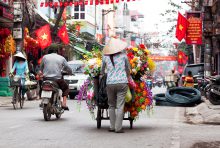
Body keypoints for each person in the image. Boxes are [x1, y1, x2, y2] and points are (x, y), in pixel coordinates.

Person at [101, 37, 130, 133]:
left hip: (110, 83)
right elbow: (127, 69)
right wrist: (128, 77)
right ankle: (118, 128)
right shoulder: (124, 56)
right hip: (122, 83)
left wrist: (105, 73)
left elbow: (102, 70)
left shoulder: (105, 57)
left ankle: (112, 127)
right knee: (120, 105)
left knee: (111, 105)